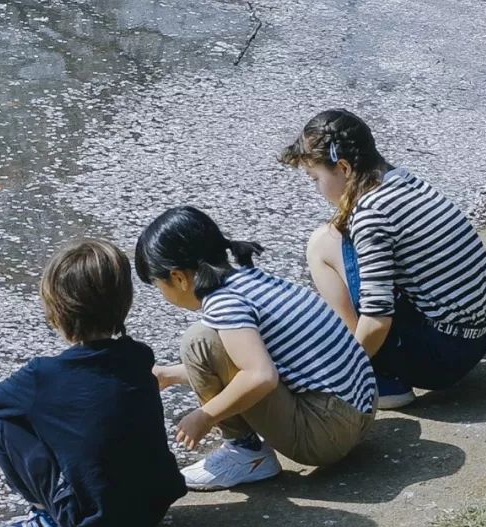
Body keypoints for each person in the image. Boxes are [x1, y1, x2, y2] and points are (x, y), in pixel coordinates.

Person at [0, 239, 185, 527]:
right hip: (154, 508)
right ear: (124, 302)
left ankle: (51, 524)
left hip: (95, 524)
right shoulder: (138, 357)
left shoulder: (44, 376)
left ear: (56, 313)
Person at [135, 206, 376, 491]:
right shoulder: (251, 280)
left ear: (178, 277)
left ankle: (246, 453)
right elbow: (239, 362)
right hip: (359, 412)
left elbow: (261, 376)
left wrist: (205, 416)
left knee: (198, 340)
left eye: (156, 284)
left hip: (327, 433)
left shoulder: (224, 303)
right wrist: (170, 375)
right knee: (210, 343)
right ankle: (248, 453)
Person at [279, 108, 486, 408]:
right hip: (477, 337)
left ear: (343, 168)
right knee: (336, 235)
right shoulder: (402, 181)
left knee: (321, 244)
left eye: (315, 178)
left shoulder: (372, 212)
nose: (316, 189)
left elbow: (378, 318)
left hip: (445, 358)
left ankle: (376, 379)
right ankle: (371, 362)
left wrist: (341, 374)